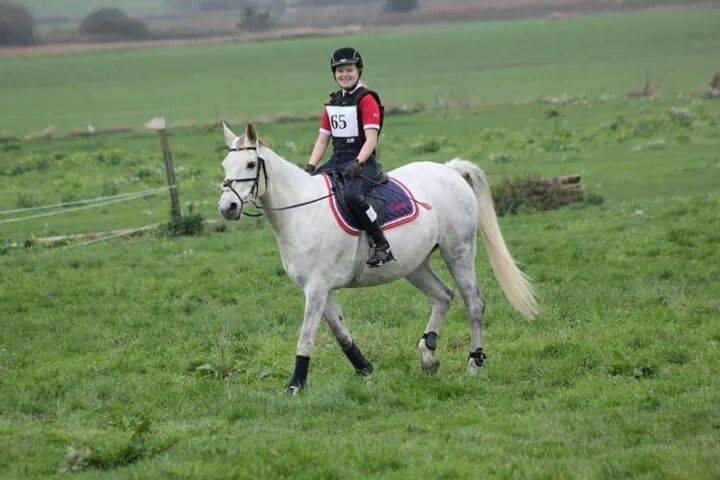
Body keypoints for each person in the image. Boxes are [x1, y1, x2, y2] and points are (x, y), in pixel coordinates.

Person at [305, 47, 395, 268]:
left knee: (353, 196)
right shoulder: (333, 101)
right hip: (337, 161)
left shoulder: (367, 99)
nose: (344, 75)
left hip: (363, 163)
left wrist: (358, 163)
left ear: (359, 70)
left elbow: (371, 139)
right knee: (310, 191)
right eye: (339, 71)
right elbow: (323, 139)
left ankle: (381, 245)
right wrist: (310, 167)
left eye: (349, 70)